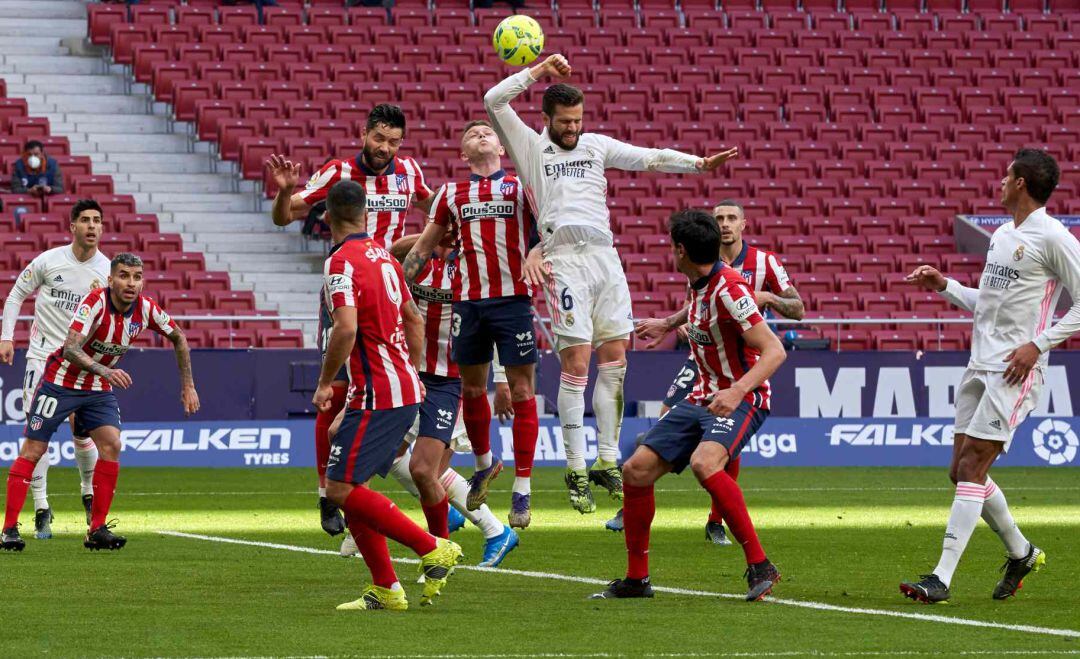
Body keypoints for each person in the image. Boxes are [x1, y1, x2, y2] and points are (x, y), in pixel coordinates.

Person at [484, 53, 739, 516]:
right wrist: (537, 72)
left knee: (615, 358)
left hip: (605, 257)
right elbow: (494, 100)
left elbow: (651, 159)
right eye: (565, 121)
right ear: (547, 119)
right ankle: (575, 468)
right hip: (563, 259)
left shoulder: (596, 145)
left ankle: (606, 460)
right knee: (576, 363)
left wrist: (698, 166)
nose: (573, 128)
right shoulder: (527, 146)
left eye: (578, 120)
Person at [900, 149, 1079, 604]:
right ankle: (1021, 552)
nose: (1000, 182)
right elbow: (991, 303)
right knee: (960, 471)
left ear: (1021, 183)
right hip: (980, 363)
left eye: (1005, 176)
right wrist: (945, 286)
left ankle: (940, 578)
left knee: (973, 467)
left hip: (1017, 370)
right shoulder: (1002, 236)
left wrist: (1037, 344)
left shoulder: (1055, 237)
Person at [590, 210, 786, 602]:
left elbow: (774, 350)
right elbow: (699, 307)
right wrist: (667, 323)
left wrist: (735, 392)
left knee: (704, 463)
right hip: (701, 394)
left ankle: (760, 564)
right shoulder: (698, 279)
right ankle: (637, 579)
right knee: (636, 470)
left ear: (681, 250)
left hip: (743, 395)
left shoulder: (731, 288)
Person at [265, 104, 434, 539]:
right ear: (364, 133)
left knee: (388, 384)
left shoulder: (410, 172)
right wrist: (285, 192)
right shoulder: (339, 172)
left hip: (391, 289)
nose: (385, 148)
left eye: (394, 141)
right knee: (337, 393)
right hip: (344, 290)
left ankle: (366, 486)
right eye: (379, 138)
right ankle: (328, 493)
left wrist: (418, 243)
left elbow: (437, 213)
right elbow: (285, 216)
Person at [313, 180, 462, 611]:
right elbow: (414, 320)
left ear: (328, 216)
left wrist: (326, 383)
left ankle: (432, 547)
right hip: (399, 387)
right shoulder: (384, 256)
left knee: (338, 488)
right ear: (364, 213)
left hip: (378, 392)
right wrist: (410, 374)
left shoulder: (340, 263)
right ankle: (386, 588)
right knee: (352, 484)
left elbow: (345, 328)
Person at [628, 199, 804, 542]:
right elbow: (694, 302)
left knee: (717, 440)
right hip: (701, 356)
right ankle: (639, 486)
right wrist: (667, 323)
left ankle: (715, 519)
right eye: (719, 217)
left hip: (742, 360)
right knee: (667, 418)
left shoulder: (762, 262)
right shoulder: (700, 262)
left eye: (731, 218)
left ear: (743, 224)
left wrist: (765, 298)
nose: (724, 223)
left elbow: (797, 308)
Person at [1, 253, 199, 552]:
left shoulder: (146, 309)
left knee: (111, 444)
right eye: (123, 275)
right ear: (110, 279)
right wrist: (107, 370)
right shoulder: (94, 302)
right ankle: (9, 529)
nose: (131, 282)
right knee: (34, 449)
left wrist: (188, 385)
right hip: (61, 382)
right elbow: (70, 348)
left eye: (136, 276)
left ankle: (96, 529)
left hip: (97, 388)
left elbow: (179, 337)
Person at [401, 120, 540, 528]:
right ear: (462, 153)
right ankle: (483, 465)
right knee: (474, 387)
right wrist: (395, 284)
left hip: (513, 298)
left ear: (502, 145)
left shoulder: (521, 187)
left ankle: (523, 491)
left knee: (520, 390)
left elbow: (552, 230)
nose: (481, 135)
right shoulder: (451, 193)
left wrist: (538, 251)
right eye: (471, 134)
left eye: (487, 132)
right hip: (469, 302)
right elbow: (425, 247)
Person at [390, 231, 519, 565]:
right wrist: (430, 235)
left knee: (425, 470)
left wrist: (502, 380)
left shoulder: (474, 269)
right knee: (390, 457)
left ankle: (490, 531)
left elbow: (491, 325)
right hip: (414, 376)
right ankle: (456, 517)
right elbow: (388, 253)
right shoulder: (418, 259)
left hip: (453, 382)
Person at [0, 199, 111, 540]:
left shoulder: (107, 270)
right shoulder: (49, 261)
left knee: (83, 432)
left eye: (97, 221)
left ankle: (88, 493)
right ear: (72, 227)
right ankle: (42, 506)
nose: (92, 226)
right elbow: (17, 294)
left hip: (82, 363)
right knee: (38, 436)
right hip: (42, 359)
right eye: (85, 220)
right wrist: (6, 337)